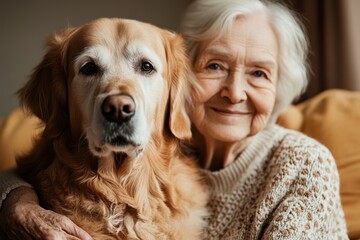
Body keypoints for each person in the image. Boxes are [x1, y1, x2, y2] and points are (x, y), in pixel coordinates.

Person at [0, 0, 349, 239]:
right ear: (188, 78)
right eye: (215, 66)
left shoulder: (304, 165)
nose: (234, 92)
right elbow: (25, 169)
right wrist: (16, 201)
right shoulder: (183, 143)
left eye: (259, 73)